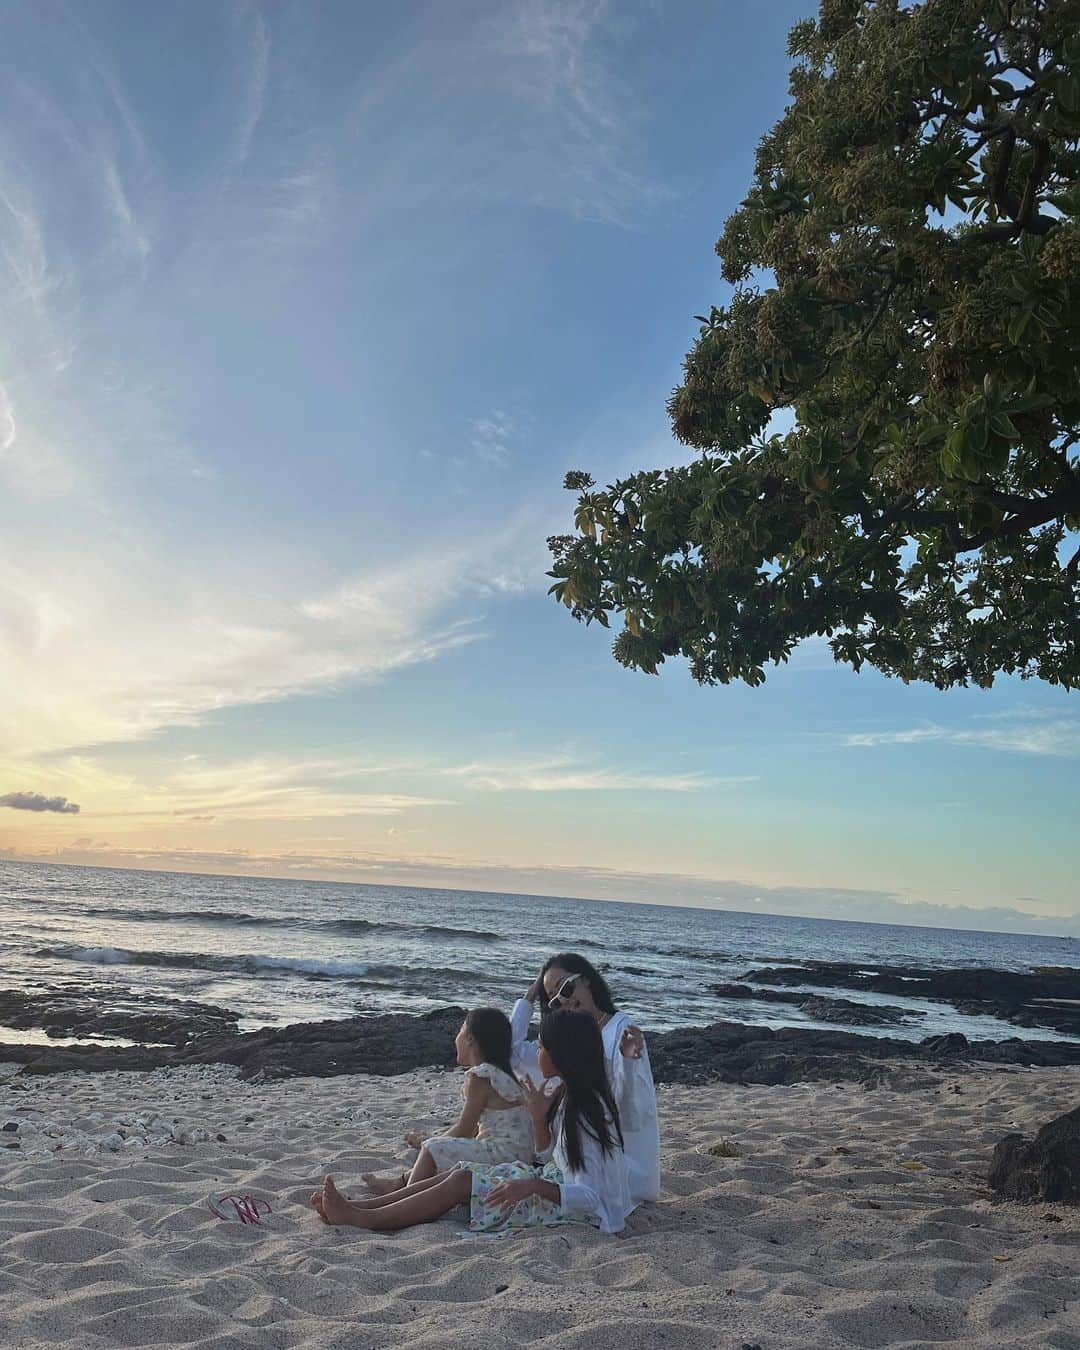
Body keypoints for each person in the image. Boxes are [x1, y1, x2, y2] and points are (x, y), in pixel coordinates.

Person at [311, 1011, 633, 1236]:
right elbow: (554, 1158)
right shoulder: (569, 1095)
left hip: (580, 1215)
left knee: (461, 1182)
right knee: (459, 1171)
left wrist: (533, 1185)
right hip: (552, 1185)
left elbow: (590, 1197)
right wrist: (539, 1120)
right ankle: (361, 1208)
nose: (536, 1051)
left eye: (542, 1046)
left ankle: (365, 1219)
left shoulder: (587, 1112)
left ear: (564, 1054)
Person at [510, 953, 660, 1204]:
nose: (564, 1001)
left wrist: (630, 1065)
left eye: (566, 988)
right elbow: (511, 1054)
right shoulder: (564, 1040)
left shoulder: (620, 1032)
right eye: (554, 1001)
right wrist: (529, 997)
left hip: (620, 1176)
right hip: (577, 1168)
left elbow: (632, 1115)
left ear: (587, 980)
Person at [362, 1007, 534, 1195]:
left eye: (460, 1031)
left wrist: (430, 1142)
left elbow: (465, 1129)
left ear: (470, 1039)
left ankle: (404, 1199)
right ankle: (399, 1184)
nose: (456, 1038)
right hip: (519, 1156)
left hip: (502, 1155)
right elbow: (478, 1128)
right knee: (442, 1149)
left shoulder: (481, 1075)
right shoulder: (504, 1074)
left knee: (433, 1148)